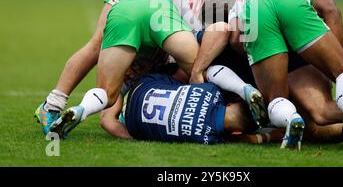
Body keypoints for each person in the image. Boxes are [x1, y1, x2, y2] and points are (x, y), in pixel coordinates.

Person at [34, 0, 245, 135]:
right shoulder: (203, 18)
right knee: (99, 44)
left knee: (153, 59)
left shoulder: (224, 7)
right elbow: (191, 67)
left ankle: (117, 108)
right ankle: (52, 105)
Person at [191, 0, 343, 151]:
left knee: (279, 101)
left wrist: (258, 61)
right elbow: (332, 11)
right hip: (289, 3)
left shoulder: (235, 14)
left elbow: (236, 38)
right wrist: (332, 70)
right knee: (330, 95)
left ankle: (291, 119)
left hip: (256, 17)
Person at [49, 0, 264, 141]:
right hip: (160, 13)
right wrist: (141, 135)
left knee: (108, 93)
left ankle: (81, 109)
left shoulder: (132, 75)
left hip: (124, 10)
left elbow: (107, 121)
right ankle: (242, 88)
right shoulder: (153, 72)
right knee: (202, 71)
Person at [99, 72, 281, 145]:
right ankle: (115, 100)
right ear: (234, 133)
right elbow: (245, 140)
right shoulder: (207, 138)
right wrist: (266, 136)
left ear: (231, 103)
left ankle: (118, 88)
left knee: (185, 77)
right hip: (133, 124)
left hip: (143, 86)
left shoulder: (213, 90)